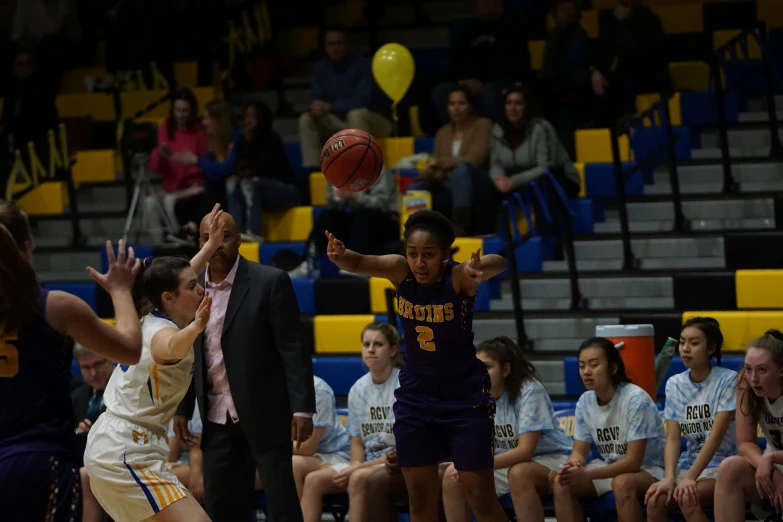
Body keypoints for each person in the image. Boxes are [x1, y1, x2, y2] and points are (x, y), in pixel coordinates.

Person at [326, 209, 508, 522]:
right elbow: (358, 263)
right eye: (413, 254)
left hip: (464, 396)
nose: (419, 263)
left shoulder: (458, 276)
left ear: (444, 255)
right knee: (420, 499)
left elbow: (499, 262)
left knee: (479, 496)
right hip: (416, 397)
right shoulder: (400, 271)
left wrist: (480, 267)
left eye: (428, 255)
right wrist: (340, 255)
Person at [0, 199, 143, 522]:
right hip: (39, 462)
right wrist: (120, 291)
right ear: (26, 247)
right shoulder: (55, 306)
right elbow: (131, 350)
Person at [84, 205, 224, 522]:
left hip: (116, 444)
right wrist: (196, 328)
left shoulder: (155, 314)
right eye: (193, 287)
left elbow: (182, 274)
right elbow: (170, 347)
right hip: (126, 449)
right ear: (169, 298)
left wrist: (210, 247)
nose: (200, 287)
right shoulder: (164, 333)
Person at [173, 211, 316, 522]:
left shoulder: (270, 281)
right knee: (223, 507)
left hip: (266, 413)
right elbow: (187, 353)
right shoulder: (191, 288)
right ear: (199, 243)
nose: (217, 243)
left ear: (239, 241)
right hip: (215, 417)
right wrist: (182, 408)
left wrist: (302, 408)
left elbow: (293, 350)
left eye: (225, 236)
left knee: (281, 506)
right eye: (208, 237)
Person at [443, 336, 572, 522]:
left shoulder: (529, 390)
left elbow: (525, 451)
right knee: (453, 475)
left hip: (550, 459)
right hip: (505, 462)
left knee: (519, 474)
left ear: (506, 369)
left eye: (486, 367)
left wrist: (479, 463)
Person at [490, 83, 583, 310]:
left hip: (558, 179)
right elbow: (495, 163)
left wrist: (513, 181)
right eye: (509, 103)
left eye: (518, 103)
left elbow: (545, 167)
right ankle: (493, 249)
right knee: (486, 190)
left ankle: (552, 248)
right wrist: (499, 179)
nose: (513, 108)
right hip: (521, 184)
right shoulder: (497, 130)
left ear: (527, 107)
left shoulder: (541, 128)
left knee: (543, 184)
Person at [554, 337, 666, 522]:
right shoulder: (585, 401)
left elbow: (633, 463)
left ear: (613, 368)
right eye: (582, 366)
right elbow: (579, 452)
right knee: (562, 484)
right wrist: (573, 464)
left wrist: (588, 473)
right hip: (611, 467)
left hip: (651, 470)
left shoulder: (636, 399)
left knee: (622, 483)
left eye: (594, 365)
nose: (586, 372)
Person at [299, 322, 400, 522]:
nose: (370, 349)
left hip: (395, 462)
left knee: (357, 478)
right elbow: (356, 442)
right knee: (313, 481)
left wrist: (357, 468)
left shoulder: (404, 385)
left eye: (378, 344)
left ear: (393, 350)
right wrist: (355, 464)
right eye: (366, 344)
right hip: (363, 462)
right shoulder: (357, 389)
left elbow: (404, 446)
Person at [645, 317, 737, 522]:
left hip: (722, 465)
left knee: (687, 498)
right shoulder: (674, 384)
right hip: (689, 463)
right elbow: (672, 439)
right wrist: (669, 477)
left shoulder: (729, 380)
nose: (685, 348)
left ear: (711, 348)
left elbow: (715, 436)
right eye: (683, 342)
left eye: (694, 343)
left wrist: (689, 479)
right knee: (655, 501)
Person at [298, 27, 392, 170]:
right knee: (306, 119)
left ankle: (362, 168)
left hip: (374, 122)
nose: (335, 48)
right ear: (325, 47)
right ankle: (314, 170)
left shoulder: (363, 65)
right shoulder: (321, 69)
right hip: (342, 124)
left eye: (339, 43)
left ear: (347, 44)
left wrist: (330, 107)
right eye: (331, 44)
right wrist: (315, 107)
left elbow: (363, 101)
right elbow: (315, 98)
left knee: (356, 114)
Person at [714, 329, 783, 521]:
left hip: (775, 458)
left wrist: (771, 458)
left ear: (781, 369)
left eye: (762, 370)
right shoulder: (746, 384)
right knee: (730, 468)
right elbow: (744, 442)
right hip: (773, 463)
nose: (753, 378)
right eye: (748, 368)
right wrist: (769, 466)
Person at [406, 86, 493, 234]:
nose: (456, 108)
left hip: (477, 183)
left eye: (461, 103)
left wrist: (439, 163)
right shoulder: (442, 132)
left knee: (463, 169)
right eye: (452, 104)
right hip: (450, 184)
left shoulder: (483, 124)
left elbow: (475, 158)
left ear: (471, 106)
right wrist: (433, 174)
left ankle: (460, 225)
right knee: (416, 187)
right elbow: (440, 170)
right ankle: (419, 231)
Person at [255, 375, 350, 497]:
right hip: (281, 452)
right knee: (238, 469)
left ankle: (294, 516)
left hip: (333, 454)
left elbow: (307, 448)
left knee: (291, 464)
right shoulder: (266, 389)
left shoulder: (318, 389)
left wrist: (266, 448)